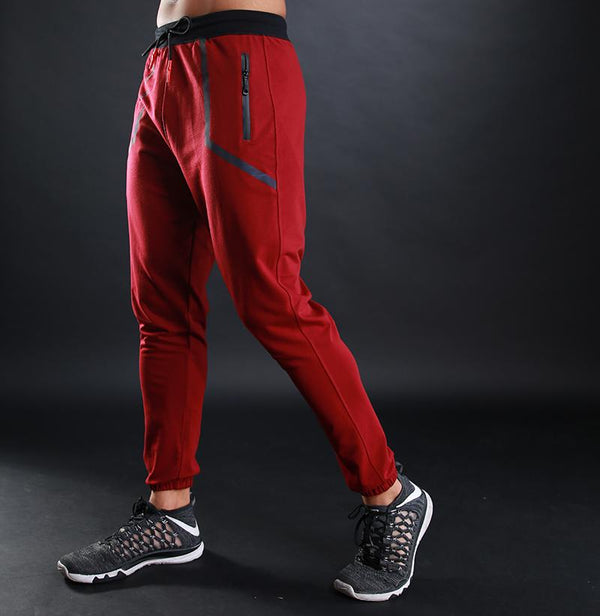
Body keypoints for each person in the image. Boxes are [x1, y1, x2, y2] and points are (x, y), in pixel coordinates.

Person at [56, 0, 433, 601]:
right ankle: (170, 512)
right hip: (164, 65)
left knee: (272, 299)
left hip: (241, 62)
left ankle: (390, 494)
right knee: (162, 308)